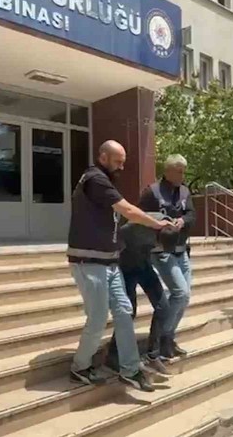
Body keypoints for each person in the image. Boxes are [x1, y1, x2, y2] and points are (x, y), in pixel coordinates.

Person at [67, 140, 174, 392]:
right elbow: (127, 210)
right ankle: (80, 367)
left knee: (124, 311)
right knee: (98, 318)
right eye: (118, 161)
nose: (122, 167)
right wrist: (157, 224)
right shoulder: (95, 178)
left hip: (109, 261)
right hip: (89, 261)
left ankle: (130, 369)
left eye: (123, 162)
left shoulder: (104, 180)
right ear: (103, 157)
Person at [106, 213, 178, 376]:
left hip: (144, 266)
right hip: (126, 267)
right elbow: (118, 233)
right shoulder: (136, 228)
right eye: (159, 244)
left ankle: (152, 354)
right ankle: (113, 354)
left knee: (164, 308)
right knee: (128, 313)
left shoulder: (169, 226)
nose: (158, 247)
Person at [139, 154, 196, 359]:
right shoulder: (152, 192)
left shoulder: (185, 191)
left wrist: (183, 221)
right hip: (161, 251)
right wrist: (159, 224)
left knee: (184, 296)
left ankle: (168, 338)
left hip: (181, 250)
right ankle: (160, 338)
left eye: (184, 171)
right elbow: (140, 217)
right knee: (180, 292)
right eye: (179, 171)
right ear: (168, 171)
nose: (182, 175)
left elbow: (191, 214)